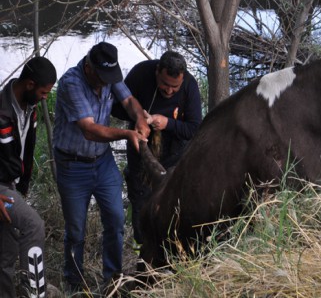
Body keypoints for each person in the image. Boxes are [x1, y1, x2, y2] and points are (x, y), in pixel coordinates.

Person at [52, 41, 150, 292]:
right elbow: (90, 130)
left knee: (116, 220)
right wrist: (128, 134)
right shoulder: (70, 83)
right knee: (76, 230)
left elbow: (128, 100)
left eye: (110, 77)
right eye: (102, 77)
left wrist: (139, 117)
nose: (107, 82)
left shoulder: (108, 74)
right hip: (72, 165)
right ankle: (74, 284)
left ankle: (113, 280)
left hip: (103, 161)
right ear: (89, 67)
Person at [112, 50, 202, 246]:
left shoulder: (190, 85)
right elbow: (115, 106)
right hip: (141, 149)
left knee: (173, 203)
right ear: (157, 71)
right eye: (165, 84)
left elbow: (195, 128)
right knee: (141, 200)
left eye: (174, 87)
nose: (169, 91)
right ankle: (143, 248)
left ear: (182, 78)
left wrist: (168, 123)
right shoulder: (141, 73)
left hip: (175, 154)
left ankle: (172, 248)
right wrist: (139, 117)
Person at [0, 57, 58, 298]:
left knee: (6, 251)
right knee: (33, 225)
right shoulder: (1, 110)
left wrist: (23, 187)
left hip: (11, 186)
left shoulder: (29, 109)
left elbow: (27, 152)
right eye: (44, 92)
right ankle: (35, 293)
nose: (46, 97)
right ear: (30, 84)